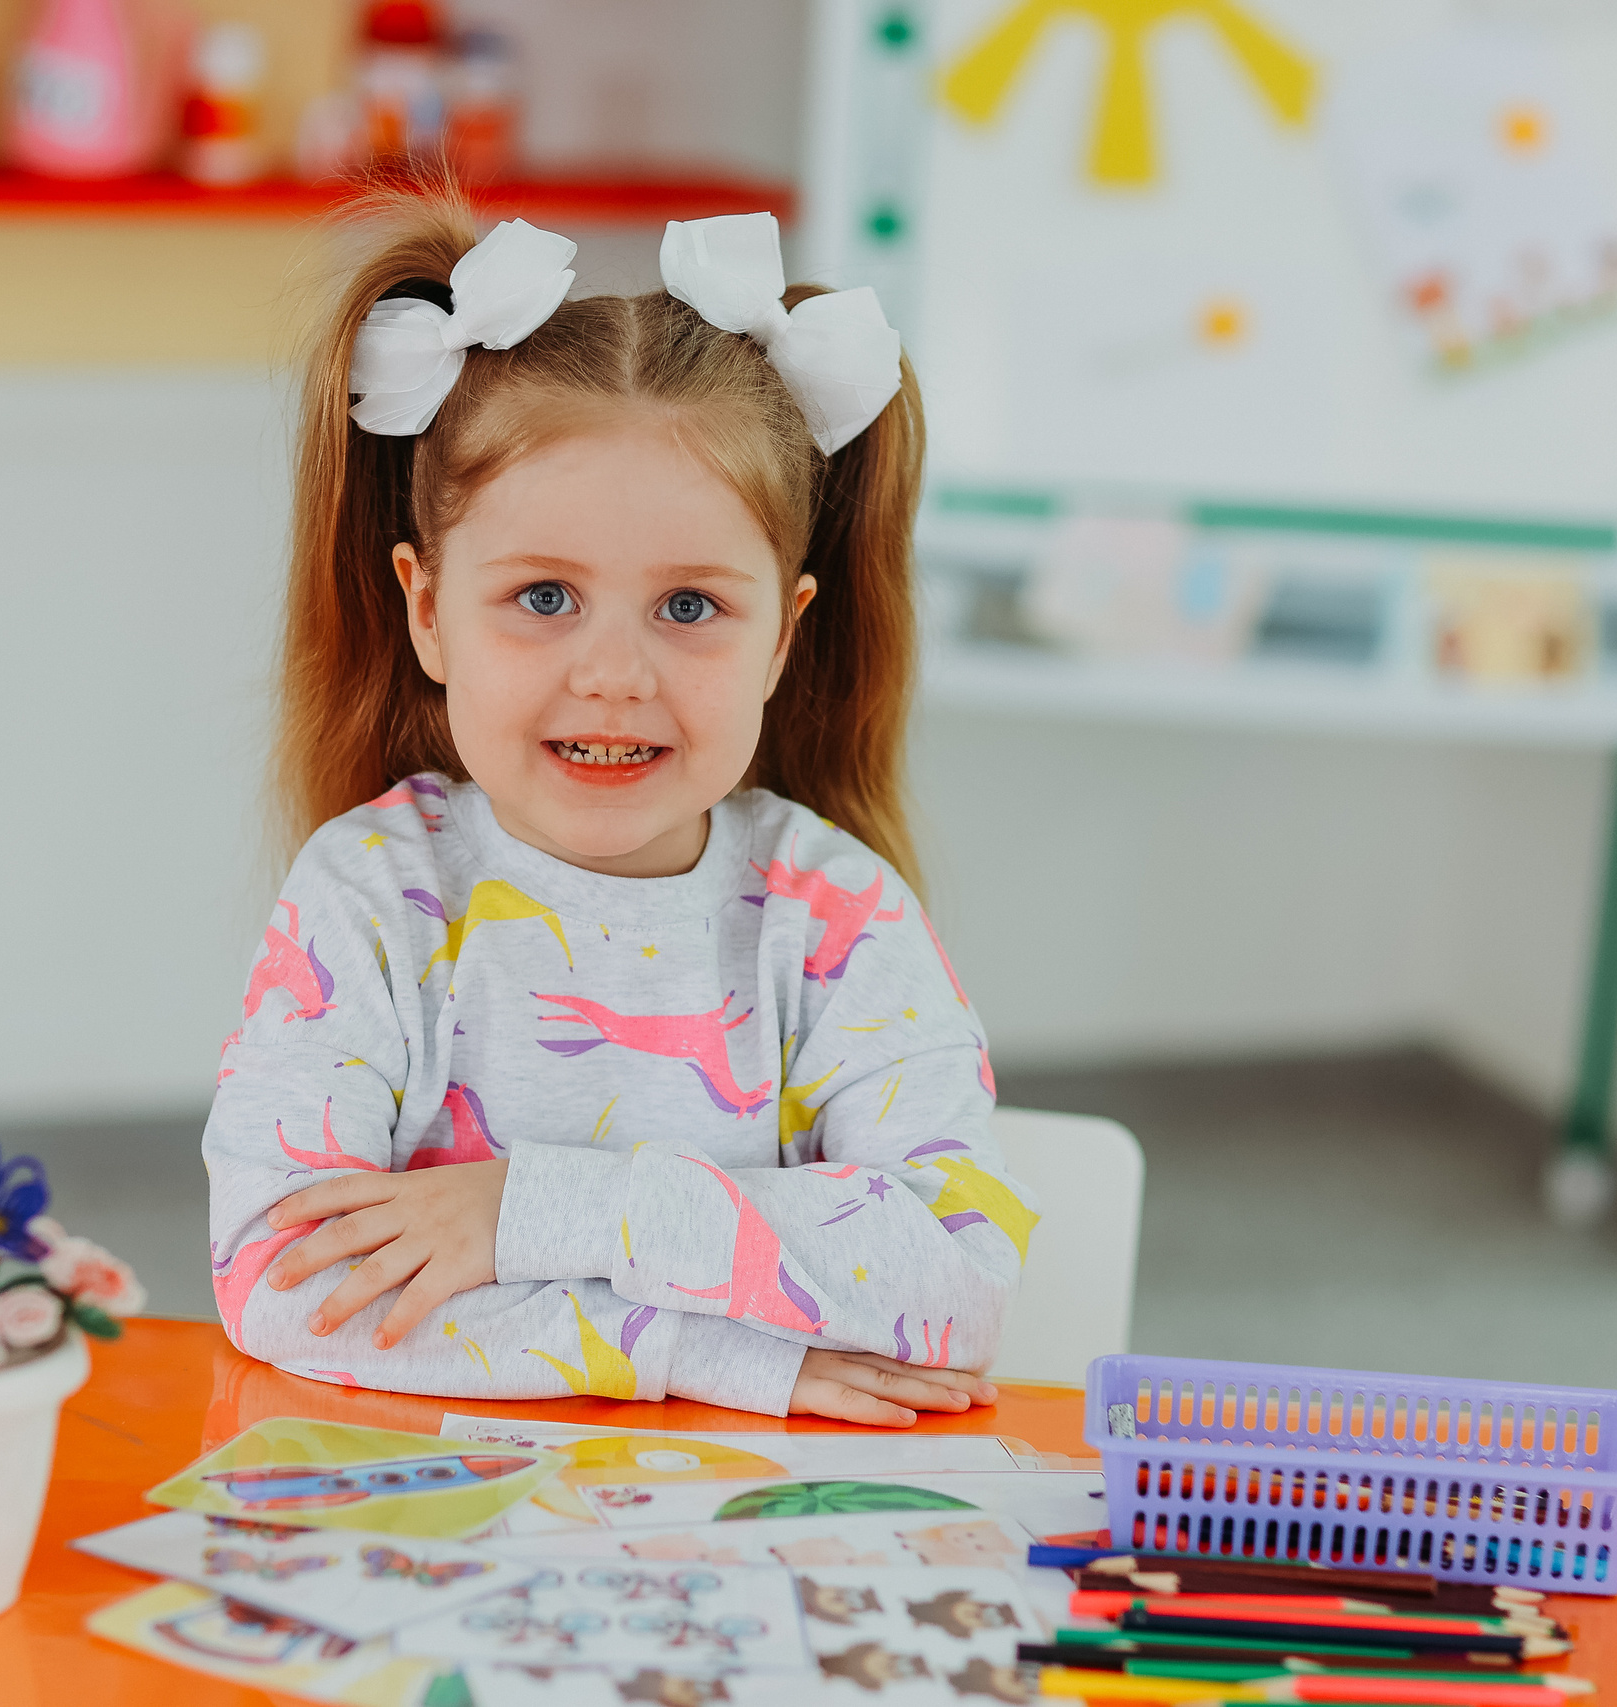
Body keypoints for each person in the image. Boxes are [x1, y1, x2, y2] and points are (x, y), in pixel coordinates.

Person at [202, 187, 1039, 1426]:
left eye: (690, 607)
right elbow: (285, 1279)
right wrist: (718, 1353)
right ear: (428, 610)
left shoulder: (835, 914)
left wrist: (524, 1212)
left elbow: (955, 1275)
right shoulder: (371, 893)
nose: (613, 674)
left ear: (780, 639)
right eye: (543, 597)